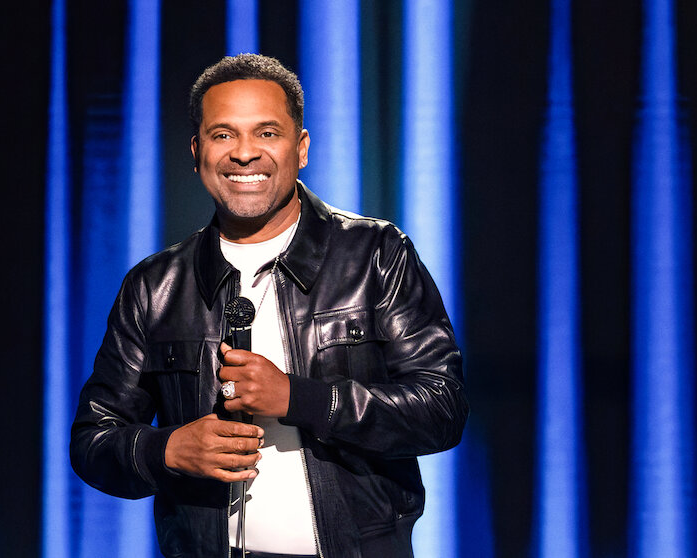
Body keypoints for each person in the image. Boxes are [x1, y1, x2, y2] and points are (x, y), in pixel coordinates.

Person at [70, 54, 468, 558]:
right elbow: (94, 440)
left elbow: (441, 408)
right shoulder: (155, 286)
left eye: (267, 133)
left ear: (300, 148)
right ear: (196, 152)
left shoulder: (375, 255)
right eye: (223, 134)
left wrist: (300, 398)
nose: (244, 153)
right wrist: (166, 449)